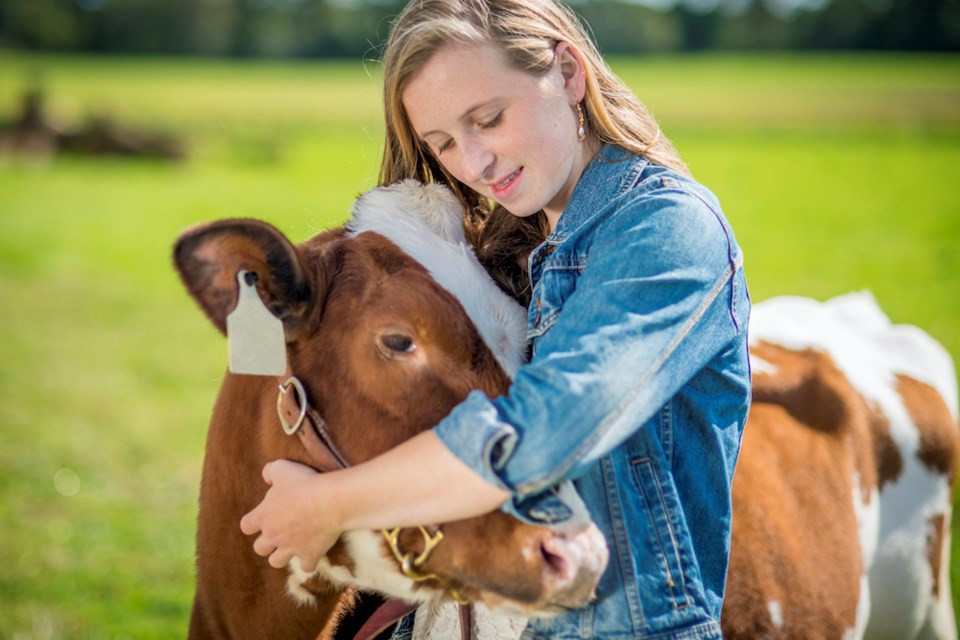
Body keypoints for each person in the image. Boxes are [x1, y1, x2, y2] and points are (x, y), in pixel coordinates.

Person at [239, 0, 752, 638]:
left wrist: (326, 507)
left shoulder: (668, 230)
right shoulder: (490, 254)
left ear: (568, 73)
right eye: (444, 143)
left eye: (489, 119)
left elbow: (543, 433)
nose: (474, 163)